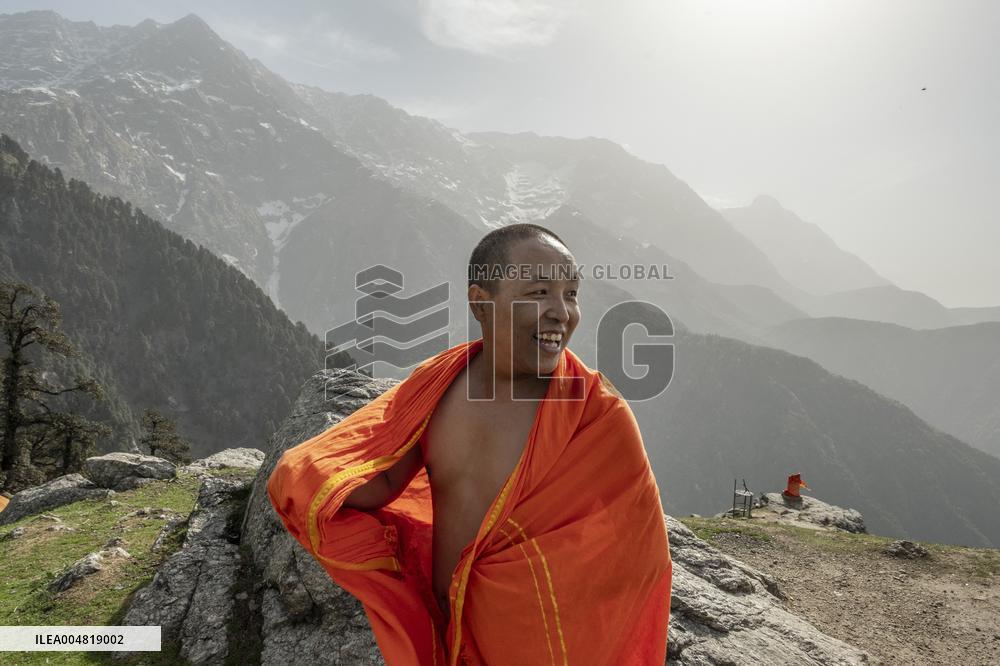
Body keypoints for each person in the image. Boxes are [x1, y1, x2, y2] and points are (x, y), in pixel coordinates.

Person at [267, 223, 672, 665]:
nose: (562, 312)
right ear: (481, 303)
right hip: (446, 634)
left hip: (537, 647)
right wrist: (317, 483)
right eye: (539, 293)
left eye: (570, 294)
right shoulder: (437, 387)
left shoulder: (596, 417)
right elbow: (383, 479)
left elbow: (637, 562)